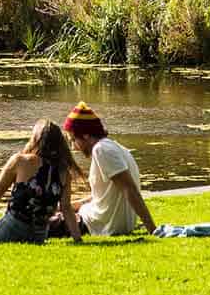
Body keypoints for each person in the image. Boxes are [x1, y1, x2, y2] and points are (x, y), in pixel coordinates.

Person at [59, 102, 156, 238]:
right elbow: (105, 195)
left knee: (38, 223)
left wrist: (152, 229)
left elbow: (129, 190)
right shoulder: (112, 147)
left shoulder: (102, 150)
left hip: (99, 225)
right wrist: (72, 205)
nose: (74, 147)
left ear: (86, 135)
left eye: (73, 139)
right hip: (103, 220)